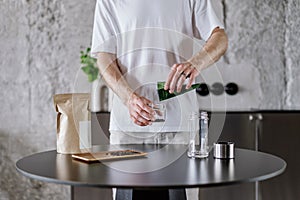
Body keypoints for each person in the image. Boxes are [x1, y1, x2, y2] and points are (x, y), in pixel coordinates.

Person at [91, 0, 228, 199]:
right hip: (128, 128)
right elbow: (104, 56)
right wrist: (129, 99)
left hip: (181, 127)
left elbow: (219, 36)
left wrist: (196, 63)